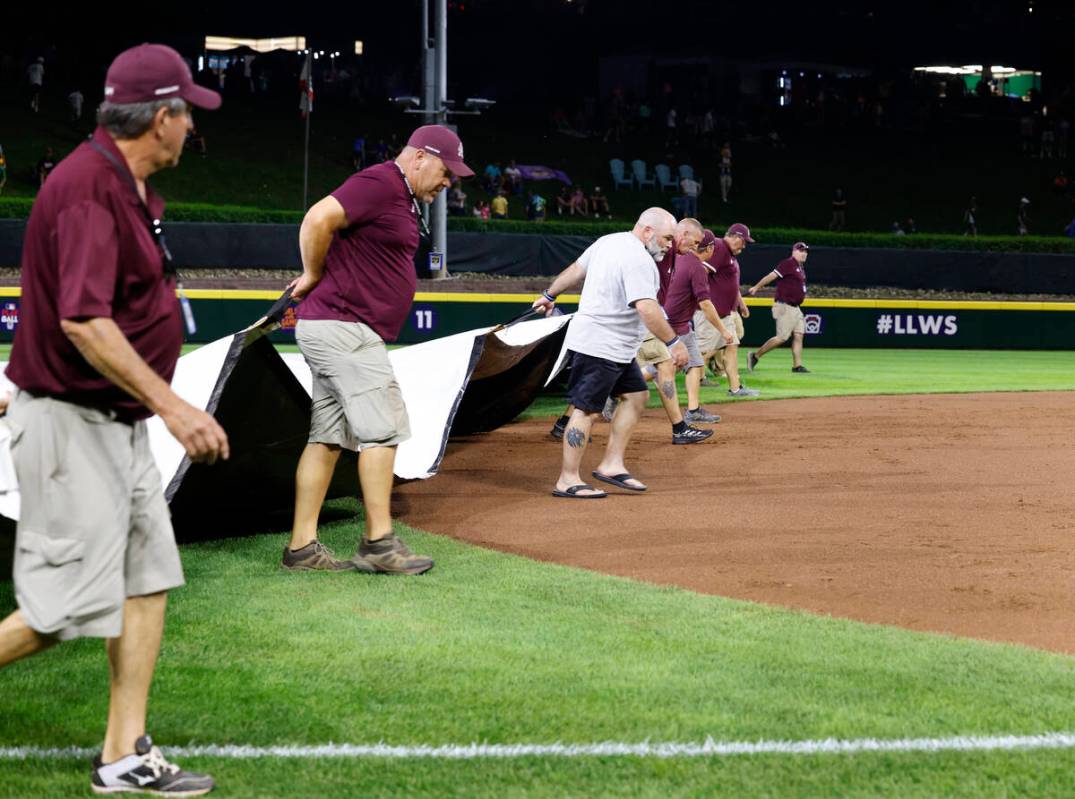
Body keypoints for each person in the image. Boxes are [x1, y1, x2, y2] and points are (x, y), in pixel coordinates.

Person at [0, 43, 228, 796]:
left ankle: (123, 754)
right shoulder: (91, 188)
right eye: (187, 112)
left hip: (111, 425)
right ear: (160, 117)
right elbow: (83, 321)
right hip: (75, 424)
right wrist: (175, 407)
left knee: (146, 580)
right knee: (61, 611)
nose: (193, 126)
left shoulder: (121, 182)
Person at [284, 124, 472, 573]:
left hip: (336, 327)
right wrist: (311, 273)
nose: (448, 184)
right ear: (421, 157)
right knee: (383, 430)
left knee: (327, 439)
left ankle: (301, 549)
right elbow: (317, 218)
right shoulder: (382, 182)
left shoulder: (400, 195)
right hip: (346, 328)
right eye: (446, 173)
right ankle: (378, 544)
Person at [533, 208, 690, 498]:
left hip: (617, 347)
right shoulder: (640, 260)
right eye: (667, 237)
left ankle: (611, 465)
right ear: (647, 231)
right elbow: (646, 308)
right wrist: (673, 342)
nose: (669, 244)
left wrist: (549, 295)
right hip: (600, 345)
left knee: (636, 395)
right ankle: (567, 480)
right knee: (587, 411)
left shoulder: (608, 241)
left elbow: (575, 271)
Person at [663, 228, 736, 421]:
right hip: (674, 326)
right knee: (662, 367)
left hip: (675, 323)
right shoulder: (697, 266)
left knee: (695, 363)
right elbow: (705, 304)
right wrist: (723, 330)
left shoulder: (678, 258)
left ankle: (693, 411)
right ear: (710, 248)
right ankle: (617, 389)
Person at [706, 223, 760, 397]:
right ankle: (655, 373)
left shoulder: (728, 254)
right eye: (744, 242)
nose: (744, 246)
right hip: (712, 312)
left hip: (725, 313)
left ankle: (735, 388)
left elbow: (731, 284)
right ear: (736, 237)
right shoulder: (720, 247)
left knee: (732, 347)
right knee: (697, 354)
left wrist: (741, 304)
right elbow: (700, 271)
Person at [747, 242, 811, 373]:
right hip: (785, 305)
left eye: (805, 251)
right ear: (794, 251)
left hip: (795, 308)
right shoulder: (789, 263)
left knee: (799, 335)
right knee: (782, 337)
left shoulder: (800, 267)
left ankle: (797, 365)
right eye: (801, 250)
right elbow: (771, 276)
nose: (804, 253)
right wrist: (757, 287)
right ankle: (755, 356)